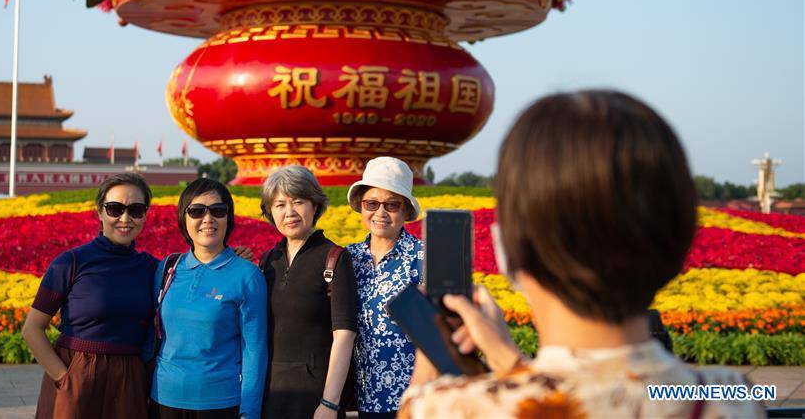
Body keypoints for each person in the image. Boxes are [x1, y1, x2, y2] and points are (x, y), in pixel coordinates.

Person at [400, 90, 764, 417]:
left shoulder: (449, 408)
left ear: (511, 247)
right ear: (679, 238)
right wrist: (508, 359)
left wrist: (435, 352)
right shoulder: (731, 398)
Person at [23, 173, 157, 419]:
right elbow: (32, 328)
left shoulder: (152, 268)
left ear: (145, 215)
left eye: (136, 210)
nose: (125, 218)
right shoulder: (70, 263)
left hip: (129, 380)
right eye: (115, 209)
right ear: (100, 212)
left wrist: (233, 259)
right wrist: (64, 378)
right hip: (77, 375)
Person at [150, 178, 268, 419]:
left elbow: (254, 350)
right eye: (196, 211)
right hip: (164, 398)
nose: (207, 219)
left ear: (229, 218)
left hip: (220, 402)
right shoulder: (168, 268)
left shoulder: (247, 275)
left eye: (217, 210)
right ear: (184, 218)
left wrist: (250, 411)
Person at [259, 165, 358, 418]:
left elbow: (345, 335)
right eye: (280, 205)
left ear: (315, 206)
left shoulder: (334, 258)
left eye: (298, 202)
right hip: (270, 396)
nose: (289, 212)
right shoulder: (268, 260)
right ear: (270, 212)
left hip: (315, 400)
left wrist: (330, 402)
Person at [345, 157, 423, 419]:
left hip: (413, 397)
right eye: (372, 203)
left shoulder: (423, 257)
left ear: (405, 211)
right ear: (361, 206)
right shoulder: (349, 257)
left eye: (391, 205)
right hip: (364, 395)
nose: (380, 213)